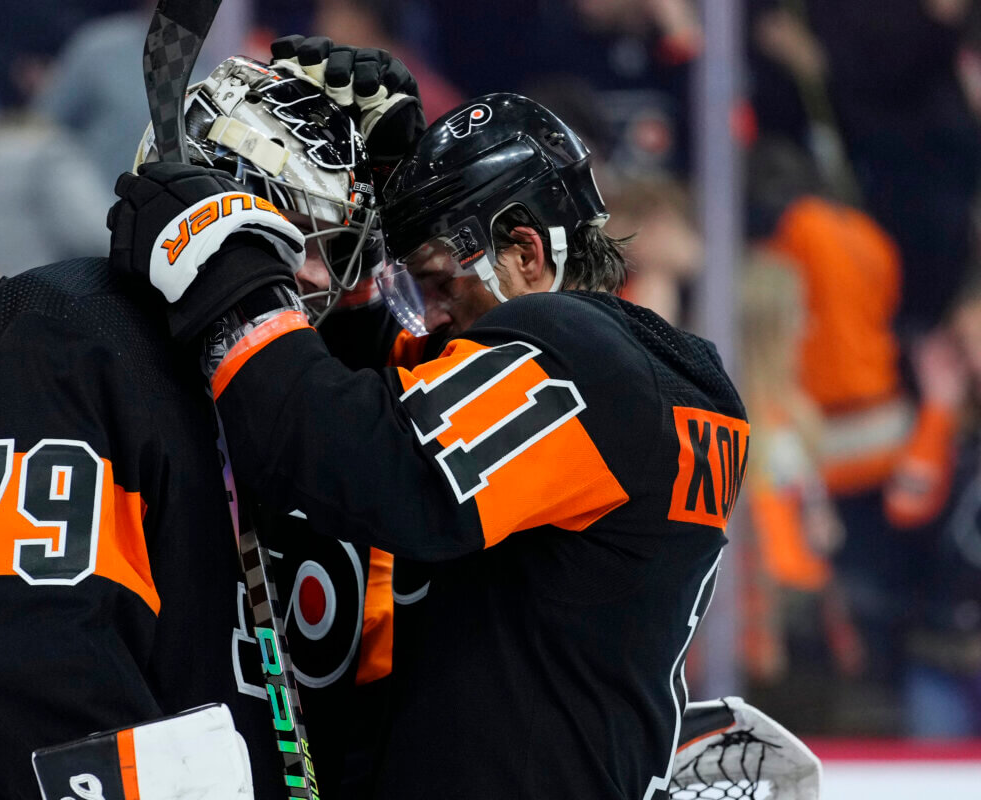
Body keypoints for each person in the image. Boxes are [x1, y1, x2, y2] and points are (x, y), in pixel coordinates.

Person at [108, 49, 751, 798]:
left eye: (439, 283)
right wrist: (385, 185)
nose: (429, 317)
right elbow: (392, 387)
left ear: (524, 250)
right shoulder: (666, 378)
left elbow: (365, 460)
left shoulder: (580, 358)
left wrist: (225, 261)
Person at [0, 55, 393, 800]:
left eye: (332, 243)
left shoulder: (278, 398)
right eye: (297, 230)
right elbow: (10, 648)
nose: (320, 276)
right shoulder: (62, 324)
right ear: (209, 205)